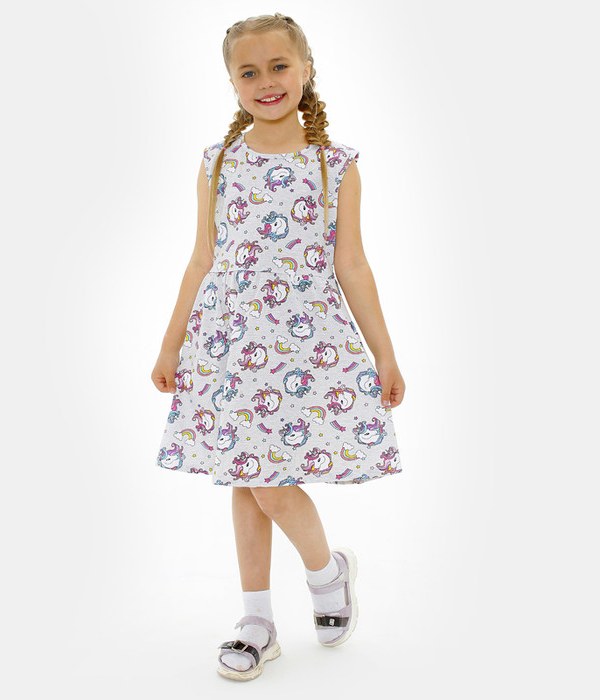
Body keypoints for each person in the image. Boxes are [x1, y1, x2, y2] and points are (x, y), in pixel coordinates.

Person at [151, 12, 405, 681]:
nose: (266, 81)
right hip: (229, 348)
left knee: (268, 483)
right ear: (232, 83)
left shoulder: (334, 166)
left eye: (279, 66)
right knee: (248, 481)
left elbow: (352, 265)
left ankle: (326, 574)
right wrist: (171, 344)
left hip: (302, 348)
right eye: (249, 71)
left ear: (306, 69)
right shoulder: (218, 163)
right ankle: (258, 621)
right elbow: (201, 259)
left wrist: (384, 352)